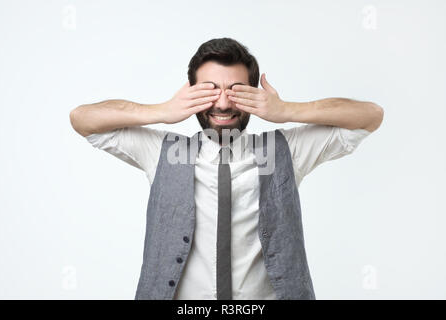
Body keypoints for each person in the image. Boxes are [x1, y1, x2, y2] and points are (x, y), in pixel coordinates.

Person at [69, 37, 384, 300]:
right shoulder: (162, 151)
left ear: (253, 93)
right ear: (191, 91)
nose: (222, 103)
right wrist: (162, 111)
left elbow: (370, 116)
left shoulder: (287, 150)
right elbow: (82, 119)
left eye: (235, 90)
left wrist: (287, 110)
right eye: (209, 89)